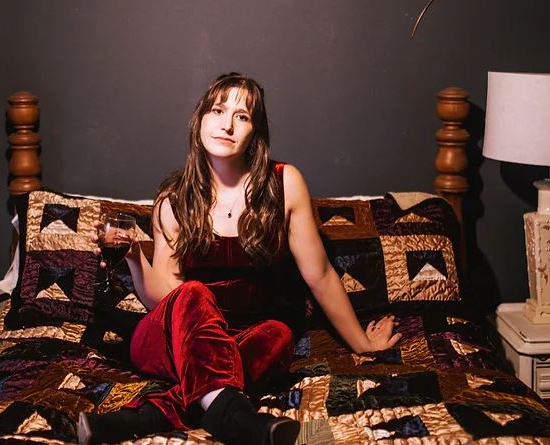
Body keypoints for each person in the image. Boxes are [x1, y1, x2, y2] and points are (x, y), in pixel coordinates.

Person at [79, 73, 402, 445]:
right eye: (218, 111)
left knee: (279, 335)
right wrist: (135, 255)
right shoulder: (174, 199)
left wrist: (362, 343)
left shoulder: (284, 184)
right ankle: (243, 424)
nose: (227, 124)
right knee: (193, 292)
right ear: (200, 119)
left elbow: (321, 274)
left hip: (241, 337)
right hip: (170, 338)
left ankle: (133, 420)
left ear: (255, 133)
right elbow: (164, 299)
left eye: (242, 116)